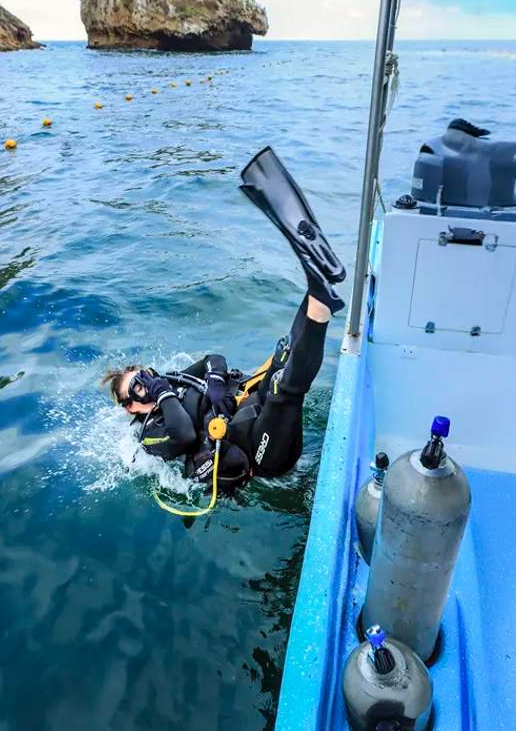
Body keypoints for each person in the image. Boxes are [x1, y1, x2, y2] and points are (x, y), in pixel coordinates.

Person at [102, 147, 347, 496]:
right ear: (131, 407)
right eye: (138, 386)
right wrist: (163, 393)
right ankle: (320, 303)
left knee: (283, 358)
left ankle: (316, 285)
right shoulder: (149, 434)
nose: (149, 382)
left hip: (252, 409)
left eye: (145, 374)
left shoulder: (172, 382)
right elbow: (185, 435)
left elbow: (213, 359)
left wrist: (214, 381)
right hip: (261, 456)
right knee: (286, 390)